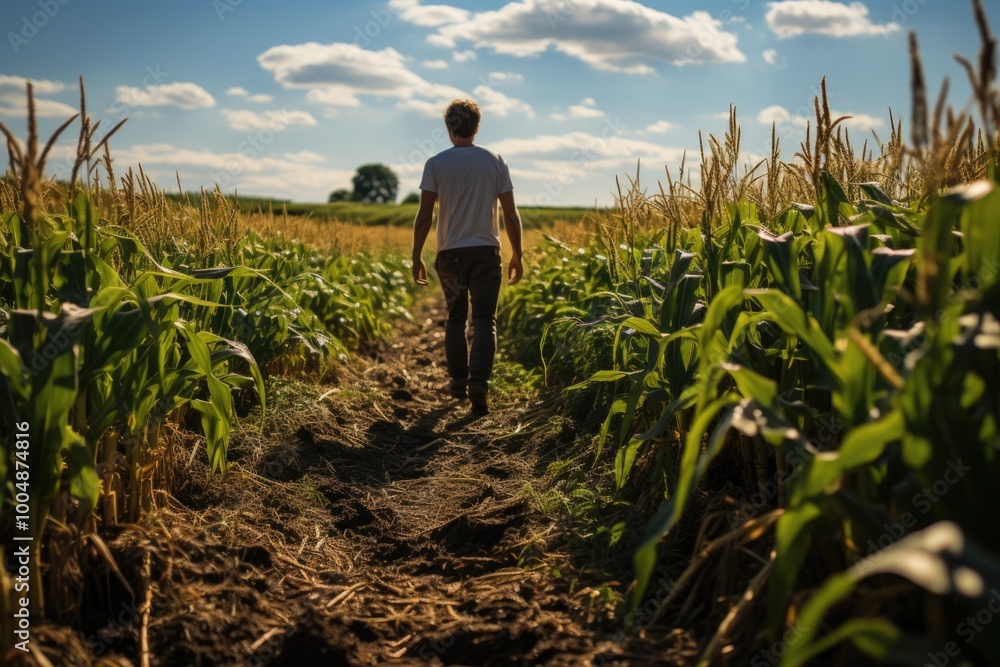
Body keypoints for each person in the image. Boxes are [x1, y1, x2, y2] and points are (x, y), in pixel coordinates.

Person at [411, 99, 524, 416]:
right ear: (477, 127)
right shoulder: (496, 160)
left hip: (450, 255)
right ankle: (479, 382)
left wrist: (417, 255)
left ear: (450, 128)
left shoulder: (436, 163)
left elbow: (424, 216)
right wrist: (517, 254)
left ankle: (459, 382)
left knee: (456, 318)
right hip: (487, 252)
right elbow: (510, 215)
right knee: (485, 319)